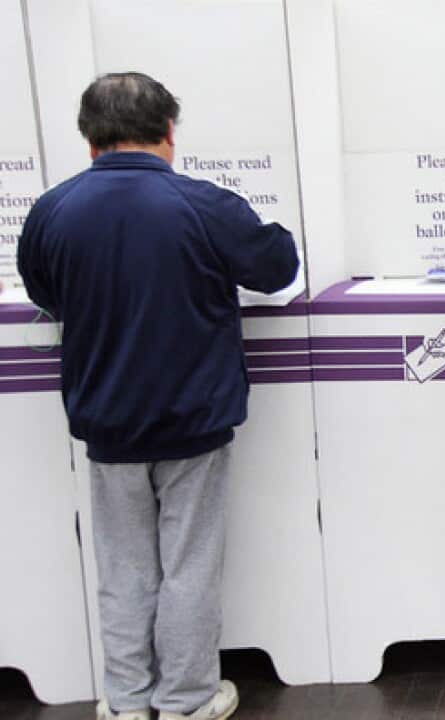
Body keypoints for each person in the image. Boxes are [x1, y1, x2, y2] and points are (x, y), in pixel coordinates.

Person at [17, 72, 299, 720]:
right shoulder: (203, 205)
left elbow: (42, 289)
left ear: (90, 141)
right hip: (192, 420)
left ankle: (125, 700)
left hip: (106, 423)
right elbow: (277, 264)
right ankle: (187, 699)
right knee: (189, 564)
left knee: (123, 570)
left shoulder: (52, 211)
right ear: (169, 133)